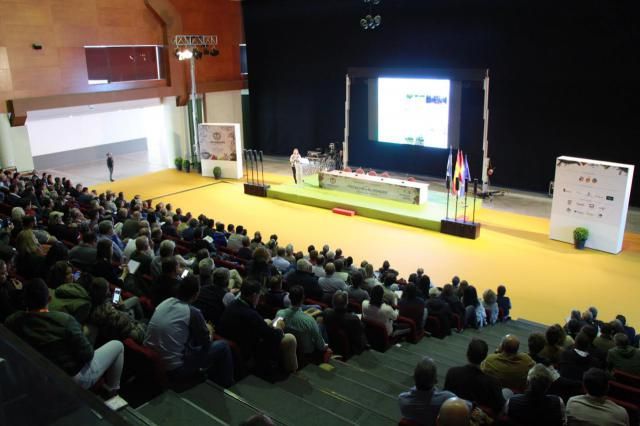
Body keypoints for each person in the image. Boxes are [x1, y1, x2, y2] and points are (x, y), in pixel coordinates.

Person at [6, 278, 124, 396]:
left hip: (32, 374)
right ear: (49, 299)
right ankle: (111, 391)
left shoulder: (12, 321)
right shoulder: (65, 320)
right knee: (118, 345)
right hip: (68, 380)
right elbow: (88, 355)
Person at [144, 274, 234, 387]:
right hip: (175, 369)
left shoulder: (166, 302)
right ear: (196, 294)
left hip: (151, 360)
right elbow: (206, 343)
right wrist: (210, 330)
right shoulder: (193, 312)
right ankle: (228, 384)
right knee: (223, 346)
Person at [217, 281, 298, 375]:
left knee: (267, 321)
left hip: (236, 341)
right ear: (254, 295)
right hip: (248, 353)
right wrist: (279, 327)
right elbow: (272, 336)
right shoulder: (250, 315)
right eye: (259, 295)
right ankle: (292, 373)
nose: (259, 298)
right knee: (290, 339)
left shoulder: (233, 304)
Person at [444, 338, 506, 415]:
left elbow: (446, 396)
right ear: (484, 357)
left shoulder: (452, 372)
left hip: (454, 414)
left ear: (467, 354)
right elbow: (500, 407)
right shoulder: (493, 382)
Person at [398, 356, 457, 426]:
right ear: (435, 380)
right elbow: (467, 406)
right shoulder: (447, 398)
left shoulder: (402, 399)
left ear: (414, 377)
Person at [275, 285, 327, 357]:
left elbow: (275, 331)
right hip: (307, 354)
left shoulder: (279, 313)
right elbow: (321, 346)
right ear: (303, 298)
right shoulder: (310, 320)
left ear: (289, 297)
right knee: (321, 324)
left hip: (289, 349)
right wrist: (326, 347)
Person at [323, 290, 368, 356]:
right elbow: (359, 337)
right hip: (351, 348)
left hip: (333, 344)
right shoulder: (353, 319)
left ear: (333, 302)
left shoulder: (326, 312)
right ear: (347, 303)